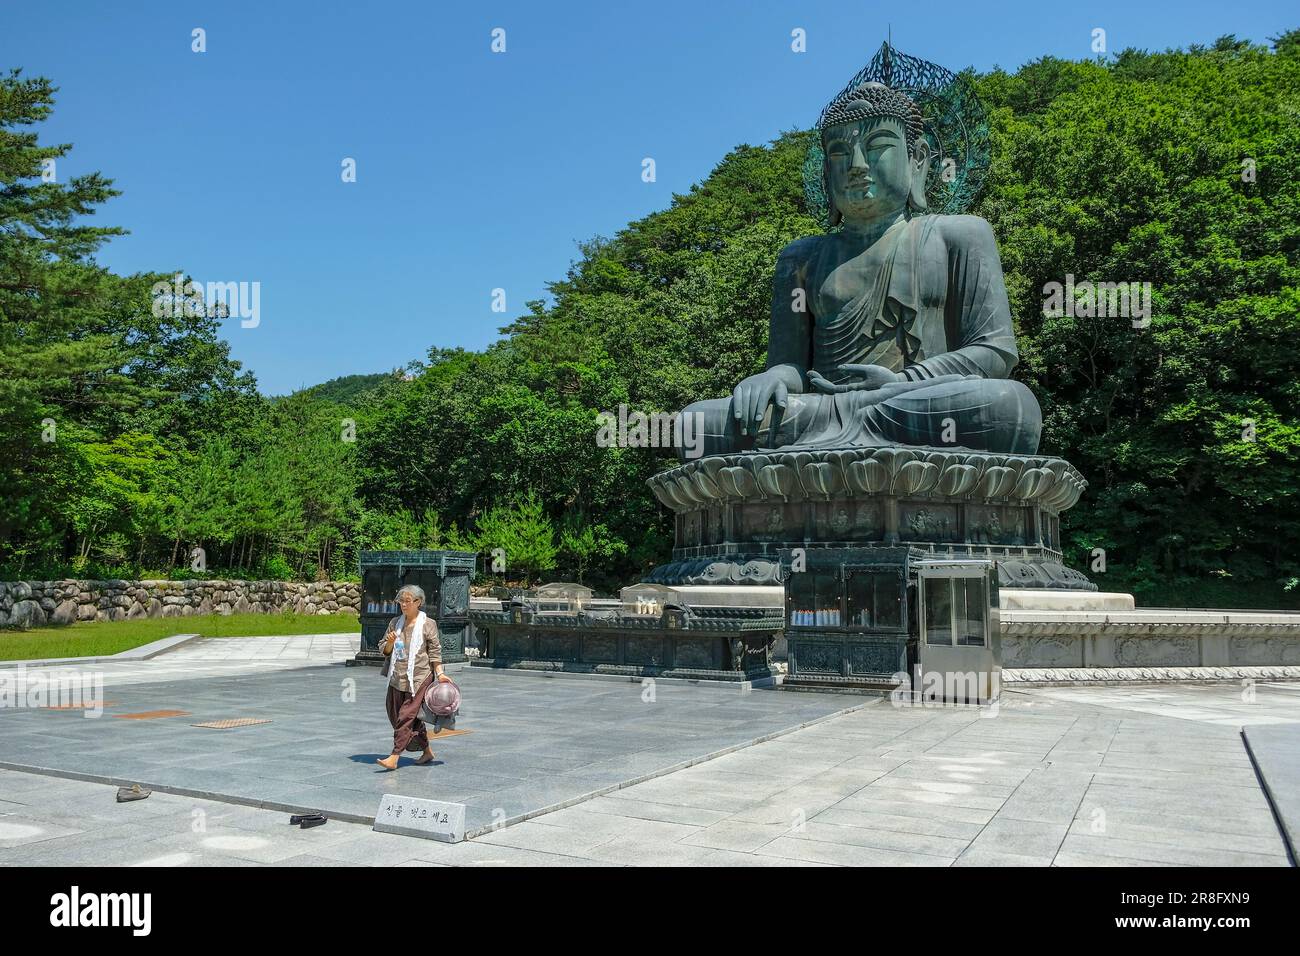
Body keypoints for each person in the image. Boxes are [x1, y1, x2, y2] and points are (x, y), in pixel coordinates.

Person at [377, 584, 450, 770]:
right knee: (398, 716)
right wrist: (390, 642)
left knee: (405, 716)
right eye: (401, 601)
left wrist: (440, 673)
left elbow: (435, 651)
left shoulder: (428, 624)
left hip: (419, 678)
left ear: (418, 602)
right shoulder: (395, 623)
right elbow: (383, 649)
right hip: (396, 676)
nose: (403, 604)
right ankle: (426, 750)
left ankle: (394, 757)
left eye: (407, 601)